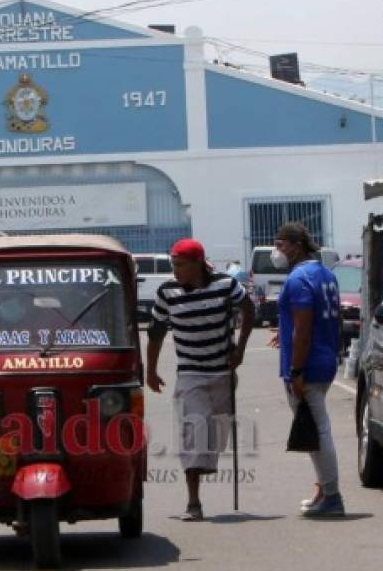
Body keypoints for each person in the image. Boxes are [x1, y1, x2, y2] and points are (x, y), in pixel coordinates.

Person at [147, 239, 255, 521]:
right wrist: (150, 370)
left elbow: (249, 308)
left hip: (222, 372)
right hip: (190, 375)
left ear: (197, 263)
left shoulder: (224, 285)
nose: (176, 271)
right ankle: (193, 502)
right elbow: (156, 332)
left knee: (216, 436)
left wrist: (240, 349)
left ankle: (204, 462)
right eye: (173, 265)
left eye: (180, 265)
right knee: (193, 434)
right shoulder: (167, 292)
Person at [269, 223, 344, 517]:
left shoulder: (298, 279)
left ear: (296, 245)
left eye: (281, 245)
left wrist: (296, 370)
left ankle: (332, 496)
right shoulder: (326, 275)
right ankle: (324, 489)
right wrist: (283, 334)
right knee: (314, 429)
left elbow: (303, 329)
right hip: (324, 359)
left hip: (308, 365)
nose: (278, 252)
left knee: (317, 430)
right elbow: (319, 321)